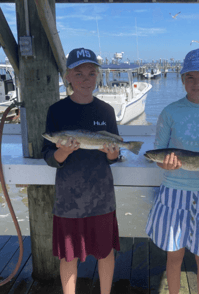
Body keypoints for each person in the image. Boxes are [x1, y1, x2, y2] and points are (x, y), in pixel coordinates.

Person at [145, 48, 199, 294]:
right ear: (182, 79)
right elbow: (159, 153)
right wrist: (165, 164)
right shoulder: (170, 112)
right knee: (174, 257)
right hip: (174, 191)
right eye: (190, 77)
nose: (197, 83)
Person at [42, 48, 120, 294]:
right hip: (68, 199)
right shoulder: (56, 111)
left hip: (102, 197)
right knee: (68, 256)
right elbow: (49, 156)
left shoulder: (106, 111)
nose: (86, 79)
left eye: (91, 73)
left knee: (105, 252)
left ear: (98, 76)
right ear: (68, 76)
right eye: (79, 73)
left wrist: (112, 153)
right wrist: (63, 152)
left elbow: (113, 157)